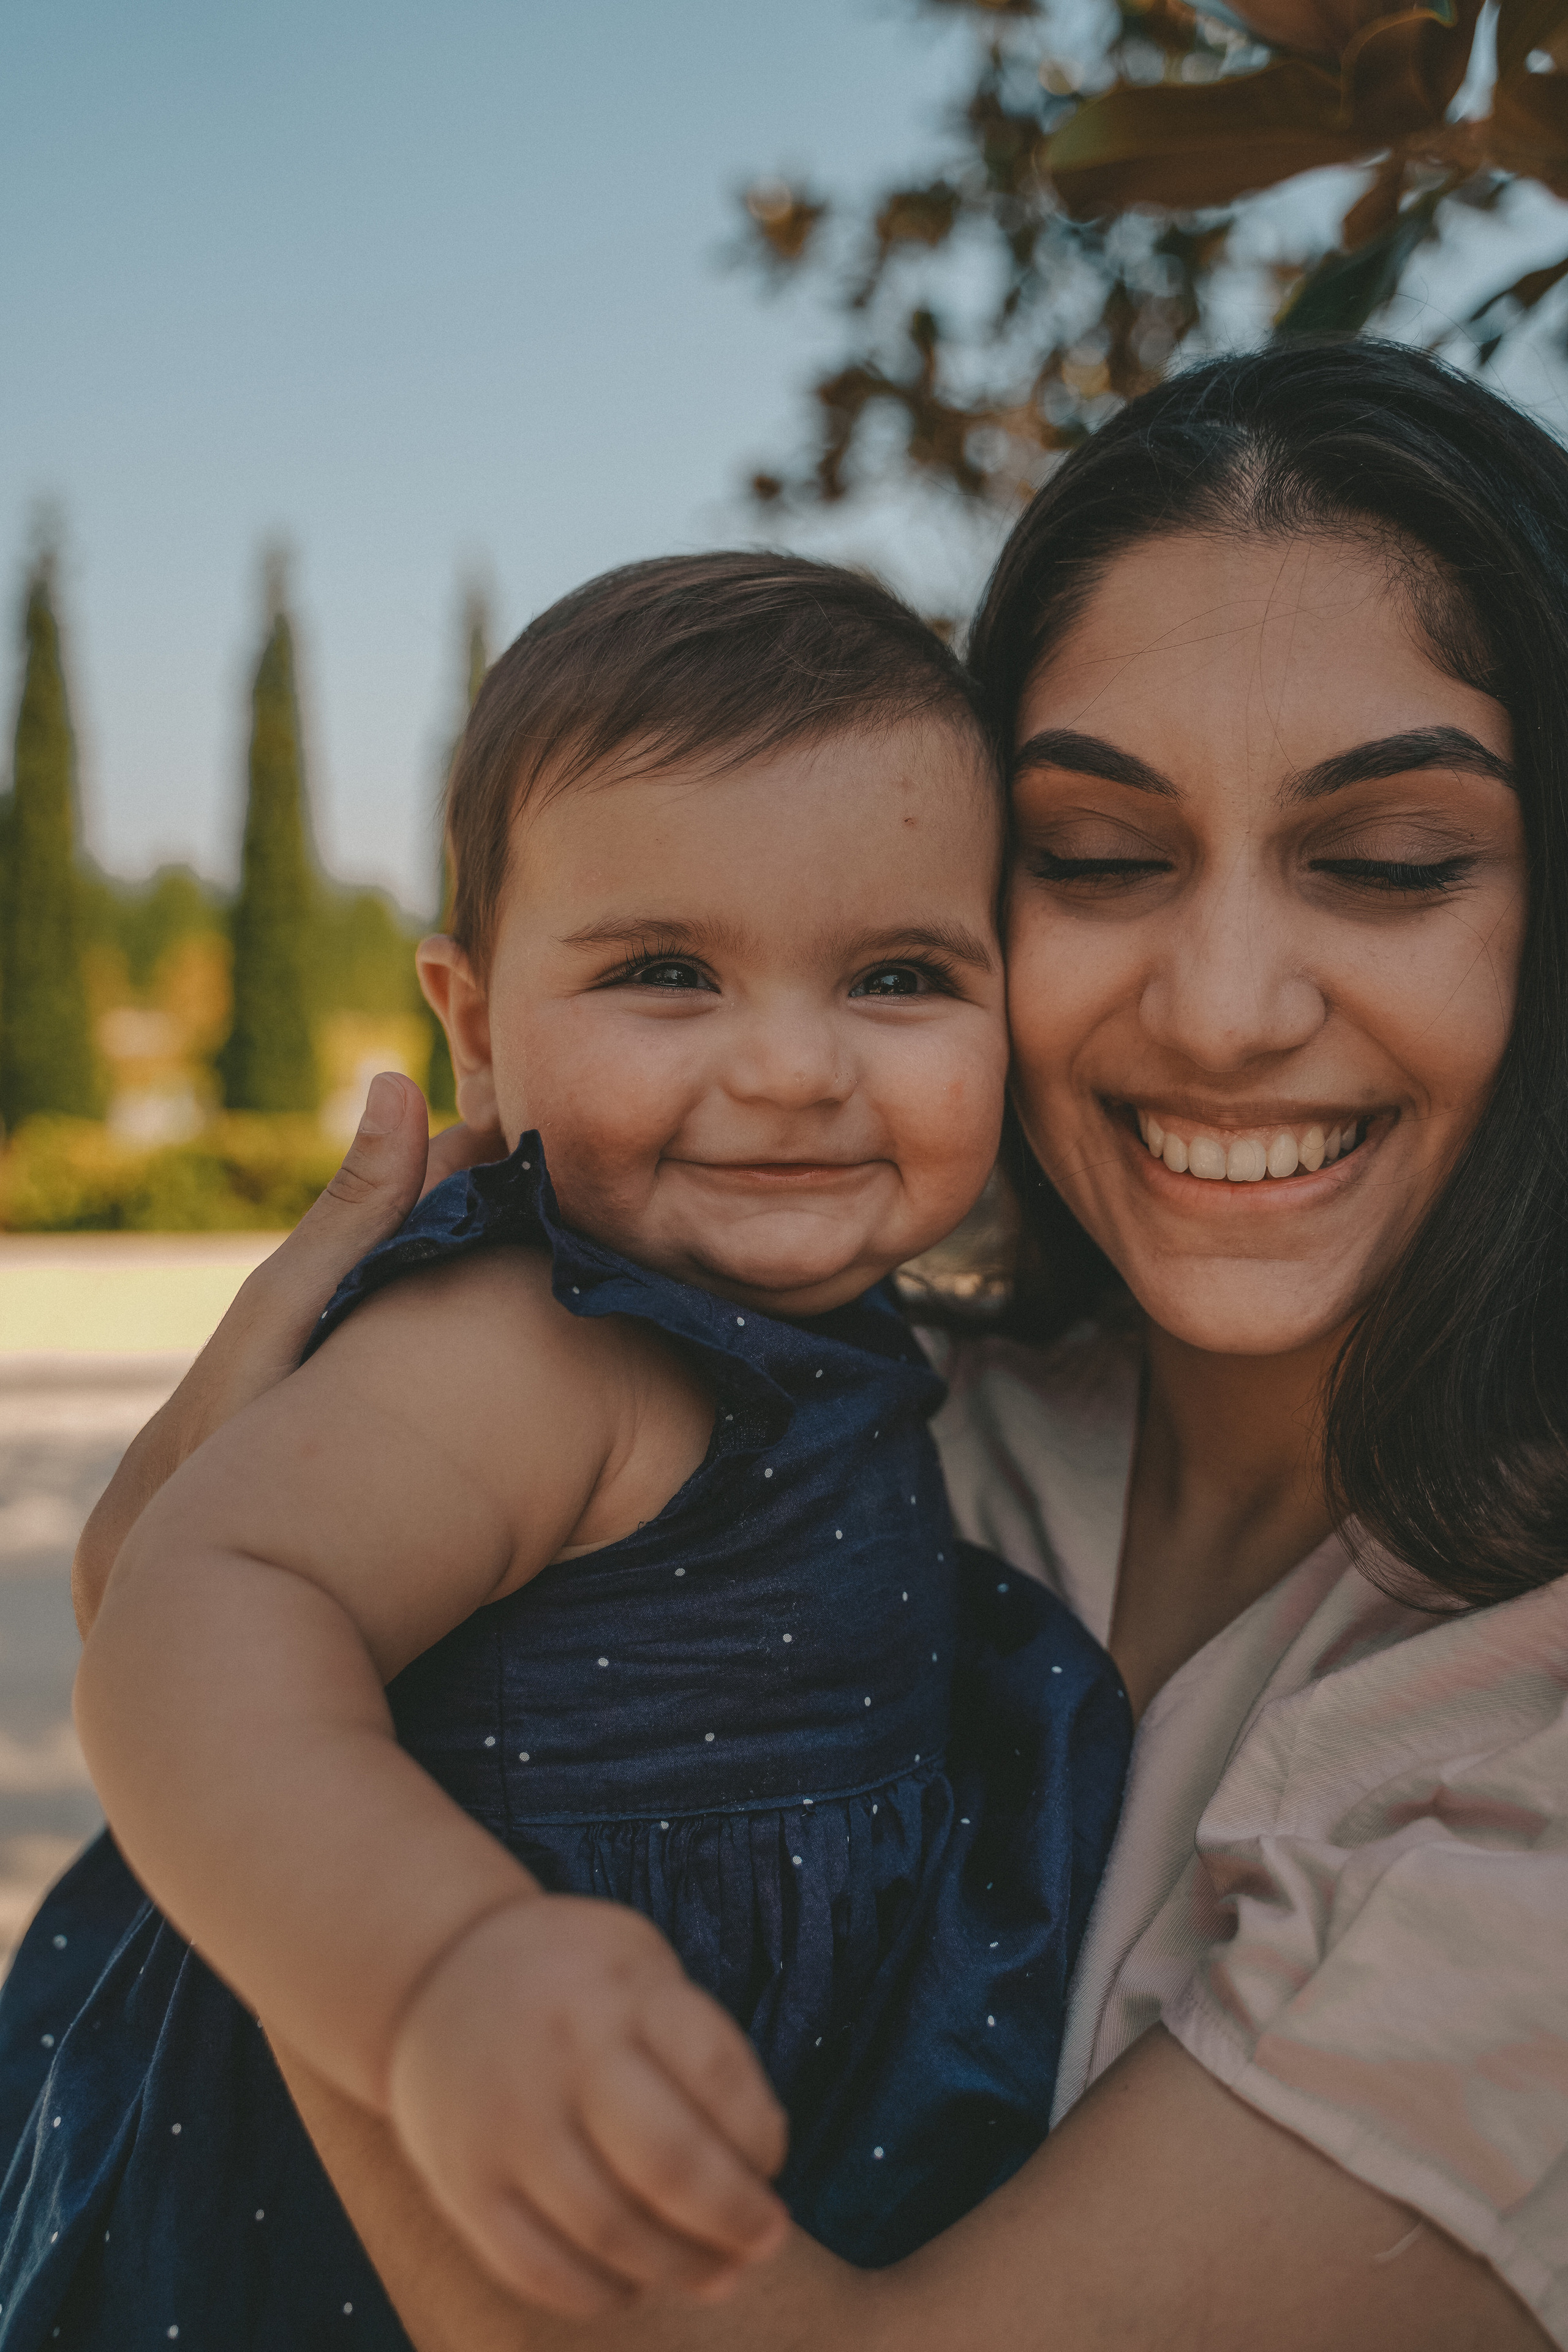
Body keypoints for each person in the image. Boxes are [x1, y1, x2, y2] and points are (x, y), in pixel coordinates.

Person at [23, 339, 1568, 2352]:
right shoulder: (812, 1392)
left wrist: (366, 1933)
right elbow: (230, 1618)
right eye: (1098, 859)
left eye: (1387, 864)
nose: (1221, 1008)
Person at [0, 555, 1131, 2349]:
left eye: (899, 974)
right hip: (375, 2214)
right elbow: (190, 1612)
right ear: (474, 1033)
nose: (789, 1066)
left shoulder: (844, 1332)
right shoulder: (537, 1340)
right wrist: (436, 1968)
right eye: (668, 972)